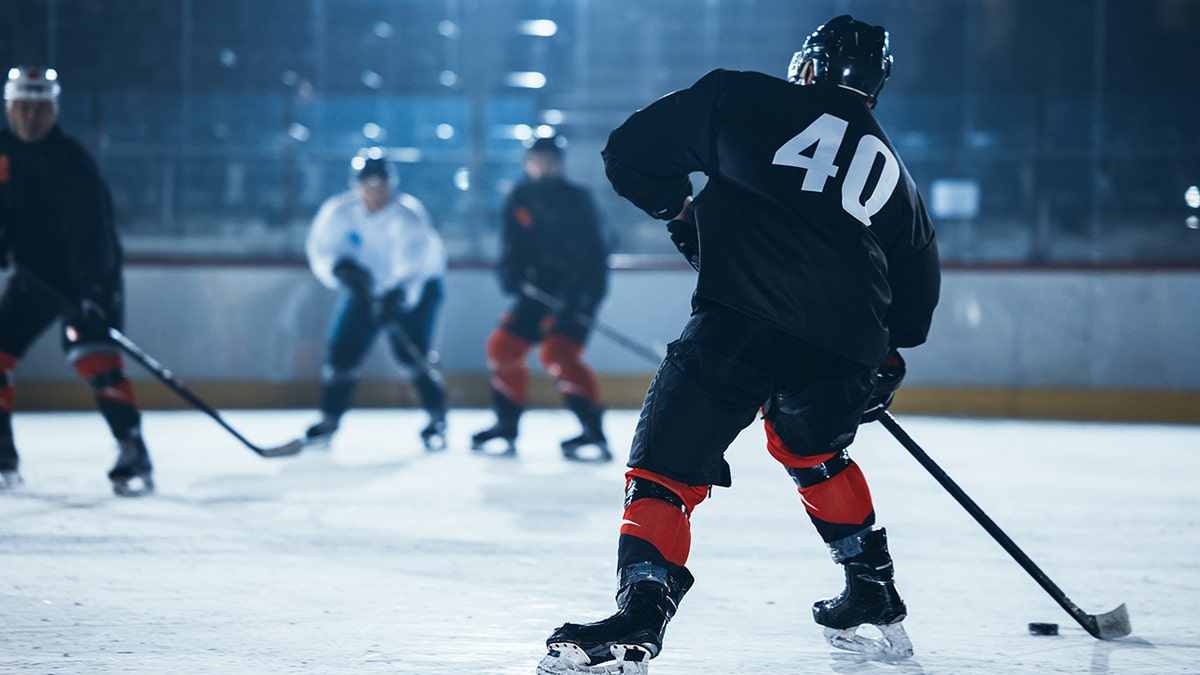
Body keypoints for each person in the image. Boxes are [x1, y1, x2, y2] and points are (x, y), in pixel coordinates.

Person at [537, 15, 941, 673]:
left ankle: (641, 612)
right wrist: (882, 360)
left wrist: (683, 211)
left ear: (809, 66)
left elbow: (629, 152)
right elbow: (916, 308)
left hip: (742, 320)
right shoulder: (896, 173)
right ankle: (872, 586)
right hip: (845, 345)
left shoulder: (741, 96)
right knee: (810, 445)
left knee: (665, 465)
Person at [0, 66, 155, 497]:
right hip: (33, 277)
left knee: (93, 356)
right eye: (23, 107)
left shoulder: (72, 162)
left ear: (54, 110)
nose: (31, 117)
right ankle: (1, 451)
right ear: (9, 108)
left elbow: (94, 234)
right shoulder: (1, 155)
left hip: (85, 278)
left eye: (40, 108)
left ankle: (132, 449)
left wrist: (93, 293)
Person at [470, 136, 611, 461]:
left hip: (577, 293)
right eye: (537, 159)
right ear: (527, 163)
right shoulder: (519, 198)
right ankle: (506, 425)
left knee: (557, 353)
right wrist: (511, 276)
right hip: (537, 292)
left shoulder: (578, 200)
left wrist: (578, 299)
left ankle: (592, 429)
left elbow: (595, 255)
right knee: (502, 347)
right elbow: (510, 248)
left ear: (559, 163)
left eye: (550, 160)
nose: (543, 165)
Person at [303, 149, 449, 451]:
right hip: (367, 290)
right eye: (368, 186)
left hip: (417, 289)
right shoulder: (339, 212)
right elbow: (322, 250)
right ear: (357, 186)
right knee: (343, 350)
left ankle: (437, 414)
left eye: (380, 186)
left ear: (390, 185)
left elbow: (415, 266)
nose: (375, 193)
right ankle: (330, 417)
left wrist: (397, 296)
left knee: (410, 354)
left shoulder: (408, 216)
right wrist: (339, 269)